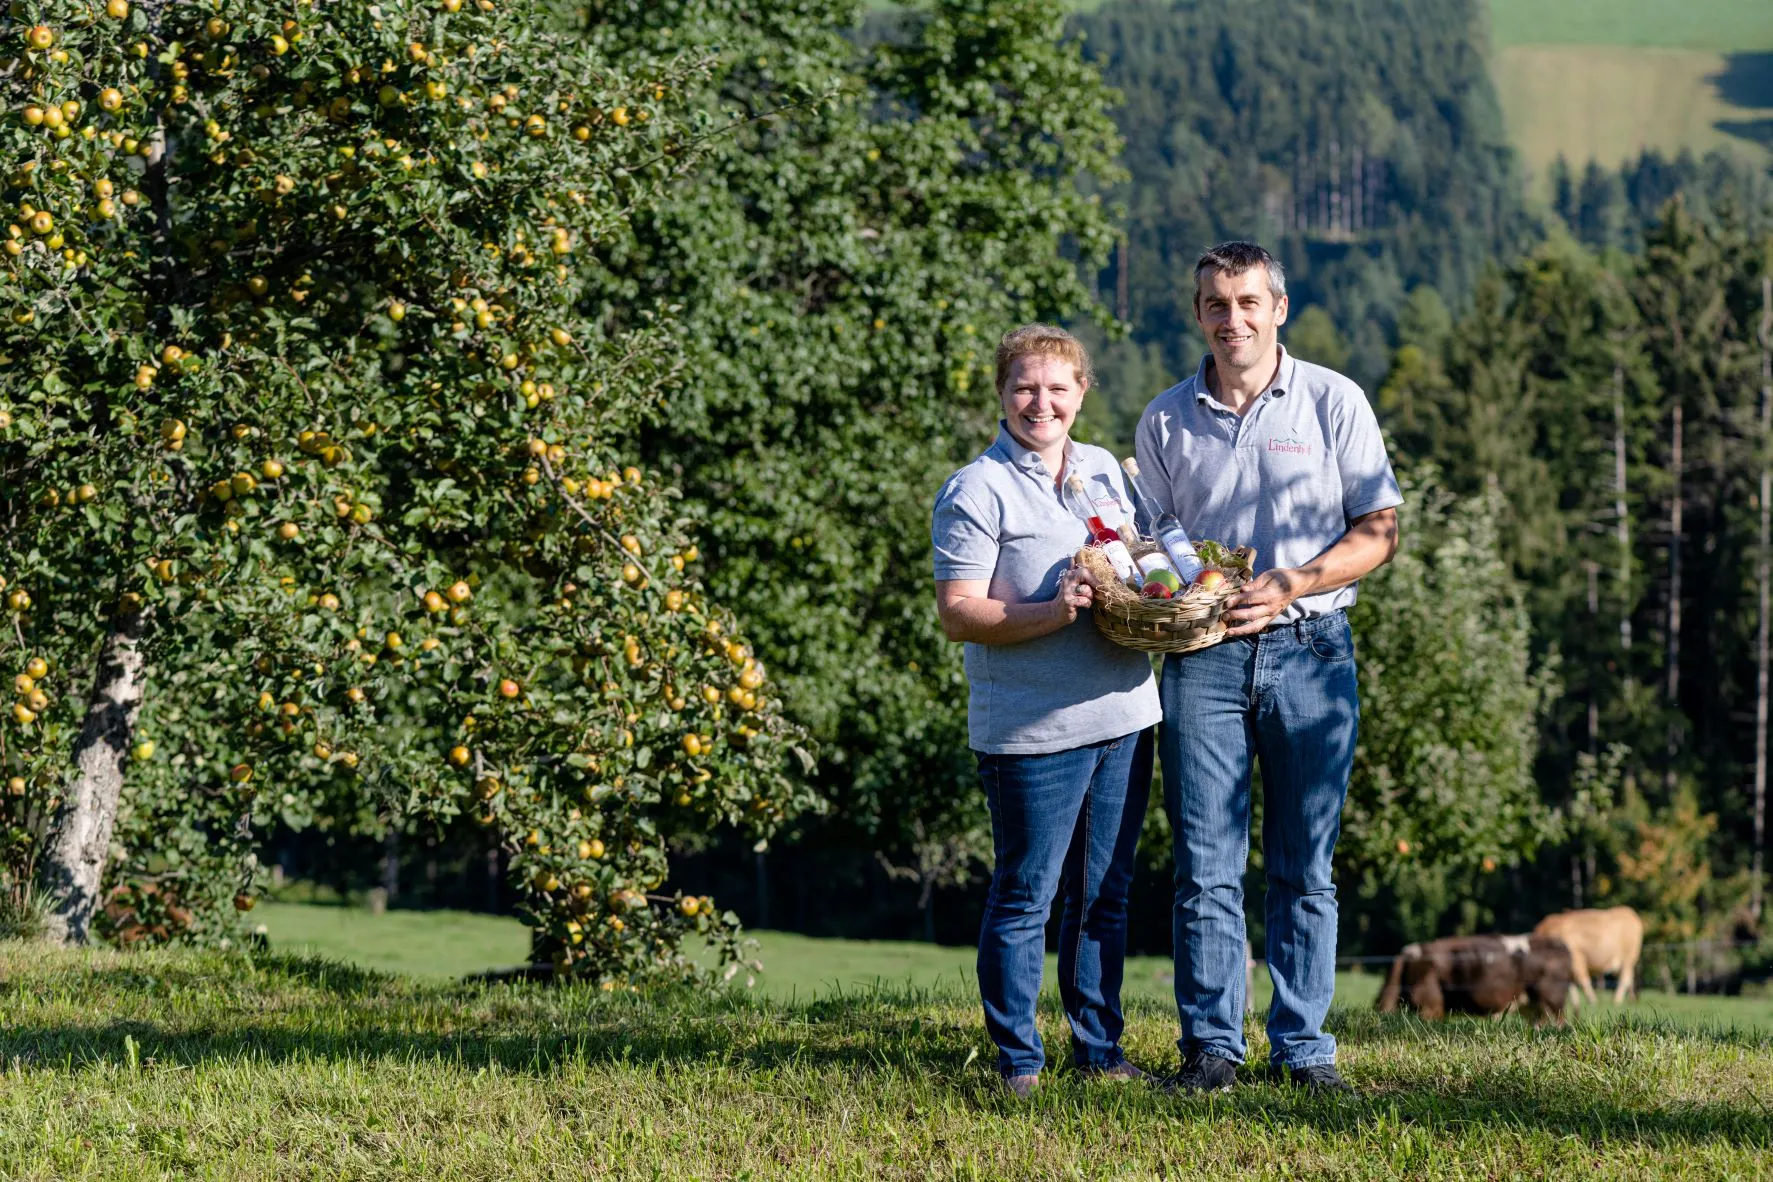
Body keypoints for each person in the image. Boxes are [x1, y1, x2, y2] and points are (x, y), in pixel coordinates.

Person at [1134, 241, 1401, 1094]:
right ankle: (1211, 1050)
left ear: (1277, 308)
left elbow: (1379, 531)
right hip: (1201, 660)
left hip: (1313, 651)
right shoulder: (1165, 420)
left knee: (1303, 865)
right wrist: (1160, 588)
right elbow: (1150, 548)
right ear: (1198, 312)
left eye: (1248, 302)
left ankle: (1303, 1051)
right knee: (1204, 865)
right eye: (1216, 303)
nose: (1232, 319)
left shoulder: (1333, 401)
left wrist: (1294, 581)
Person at [931, 324, 1161, 1098]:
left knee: (1105, 894)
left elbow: (1127, 558)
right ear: (1000, 395)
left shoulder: (1101, 469)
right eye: (1025, 387)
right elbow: (959, 614)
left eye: (1058, 388)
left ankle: (1099, 1053)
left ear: (1081, 393)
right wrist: (1050, 609)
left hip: (1125, 714)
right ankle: (1018, 1063)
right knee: (1026, 894)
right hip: (1032, 733)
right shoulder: (976, 489)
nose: (1042, 402)